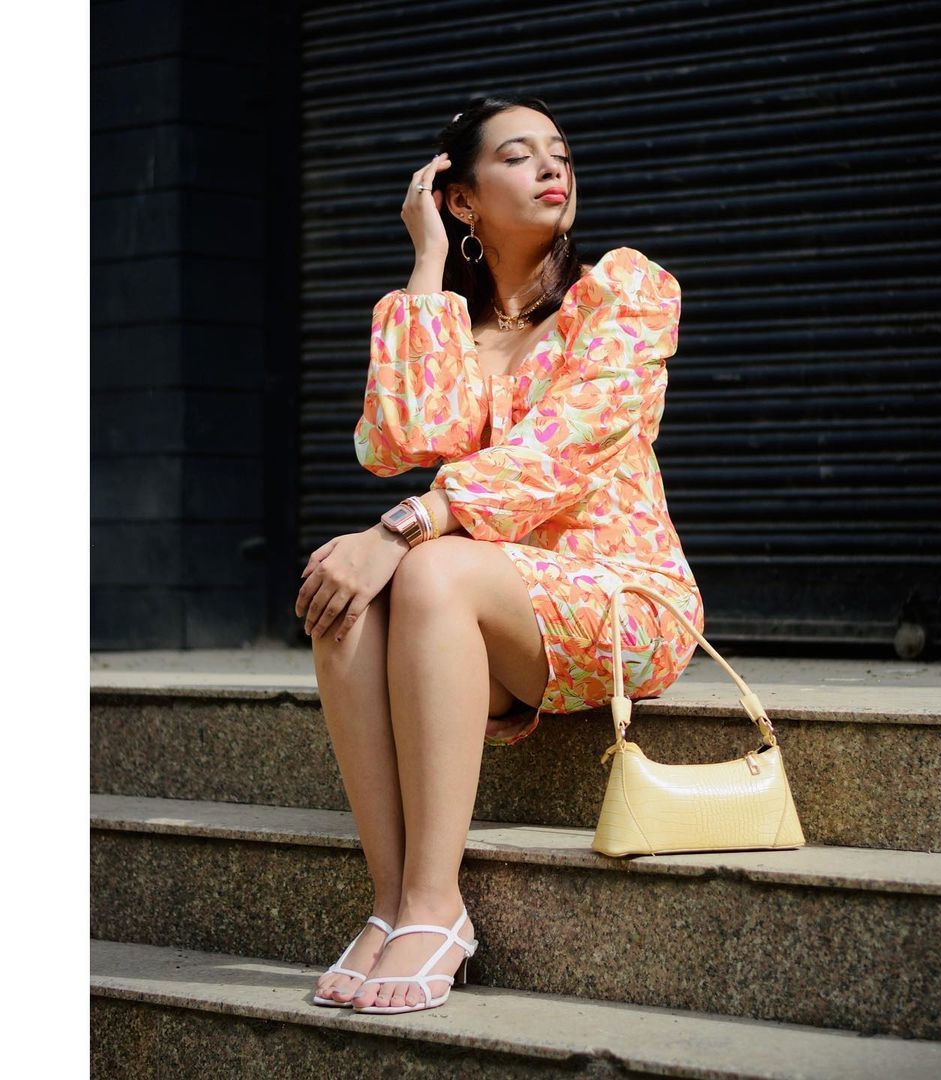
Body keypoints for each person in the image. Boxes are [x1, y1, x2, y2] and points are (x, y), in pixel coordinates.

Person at [295, 95, 705, 1015]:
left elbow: (566, 450)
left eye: (558, 152)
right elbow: (398, 438)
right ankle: (393, 902)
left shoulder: (624, 295)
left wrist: (401, 529)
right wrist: (427, 261)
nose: (552, 167)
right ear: (462, 197)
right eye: (517, 156)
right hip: (483, 607)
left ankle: (437, 903)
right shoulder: (457, 323)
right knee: (344, 590)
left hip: (621, 596)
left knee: (421, 564)